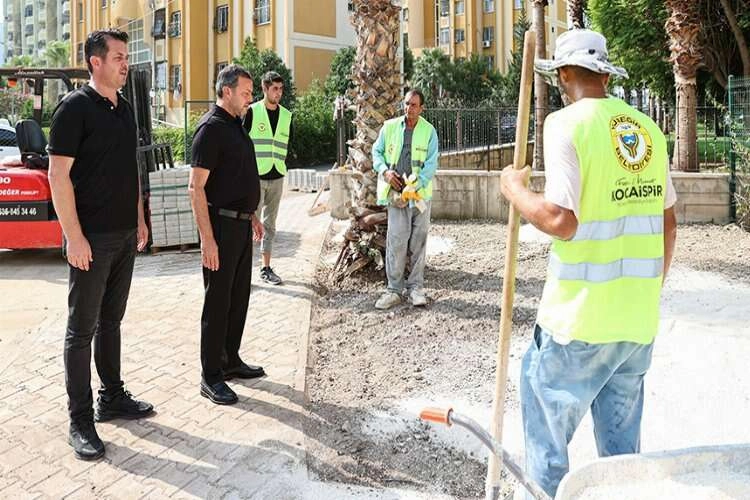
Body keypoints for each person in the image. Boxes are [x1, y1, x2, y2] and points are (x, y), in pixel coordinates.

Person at [499, 29, 678, 498]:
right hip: (635, 323)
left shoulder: (565, 124)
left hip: (577, 323)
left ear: (562, 75)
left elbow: (562, 220)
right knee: (622, 459)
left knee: (546, 437)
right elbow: (669, 223)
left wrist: (514, 191)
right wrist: (647, 289)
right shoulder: (648, 130)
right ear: (605, 76)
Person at [48, 29, 154, 461]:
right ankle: (80, 419)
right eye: (118, 57)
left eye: (126, 57)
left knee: (112, 322)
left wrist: (139, 217)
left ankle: (112, 397)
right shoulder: (74, 108)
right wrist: (74, 236)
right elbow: (57, 176)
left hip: (124, 235)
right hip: (90, 241)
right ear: (96, 62)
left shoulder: (124, 107)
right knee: (81, 331)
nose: (126, 64)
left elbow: (130, 166)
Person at [189, 64, 266, 406]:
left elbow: (236, 177)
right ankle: (210, 375)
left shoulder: (236, 125)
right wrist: (207, 240)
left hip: (240, 225)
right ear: (227, 91)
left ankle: (230, 360)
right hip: (219, 228)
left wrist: (252, 215)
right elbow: (196, 188)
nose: (250, 98)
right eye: (246, 93)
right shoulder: (210, 129)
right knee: (218, 302)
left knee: (238, 298)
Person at [372, 89, 439, 310]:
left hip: (420, 197)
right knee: (397, 242)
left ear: (422, 108)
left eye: (414, 105)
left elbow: (431, 164)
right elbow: (376, 152)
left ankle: (416, 289)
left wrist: (415, 185)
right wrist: (385, 172)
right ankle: (394, 290)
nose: (409, 108)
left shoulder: (429, 131)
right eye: (407, 104)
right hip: (397, 195)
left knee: (419, 243)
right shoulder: (390, 127)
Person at [243, 71, 292, 286]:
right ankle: (243, 272)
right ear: (265, 89)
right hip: (255, 177)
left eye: (281, 89)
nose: (278, 93)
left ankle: (266, 268)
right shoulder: (252, 112)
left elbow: (287, 144)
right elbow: (242, 143)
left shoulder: (287, 116)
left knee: (270, 225)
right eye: (275, 89)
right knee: (248, 224)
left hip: (277, 175)